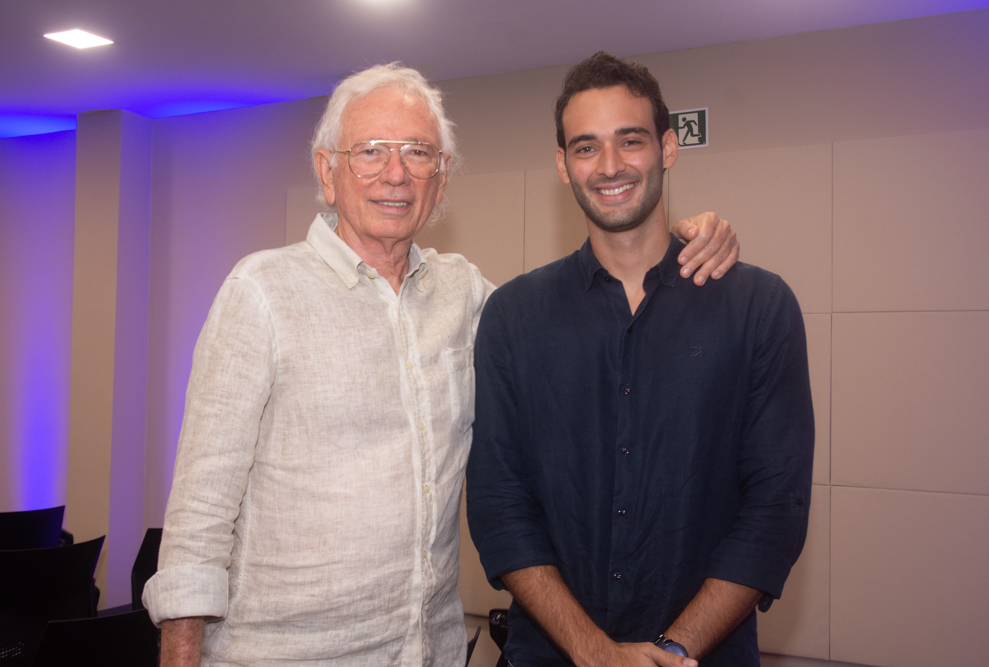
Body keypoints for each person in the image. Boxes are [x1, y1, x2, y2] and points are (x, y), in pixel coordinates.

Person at [142, 62, 739, 666]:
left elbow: (578, 316)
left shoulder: (468, 296)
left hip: (430, 651)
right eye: (370, 151)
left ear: (442, 175)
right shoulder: (261, 292)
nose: (395, 174)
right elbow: (200, 512)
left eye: (418, 153)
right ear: (327, 171)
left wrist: (687, 239)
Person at [466, 52, 814, 667]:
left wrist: (673, 649)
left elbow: (774, 510)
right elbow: (499, 504)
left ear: (668, 147)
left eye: (630, 140)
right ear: (562, 165)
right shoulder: (513, 315)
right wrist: (593, 652)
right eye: (586, 147)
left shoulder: (759, 306)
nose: (609, 166)